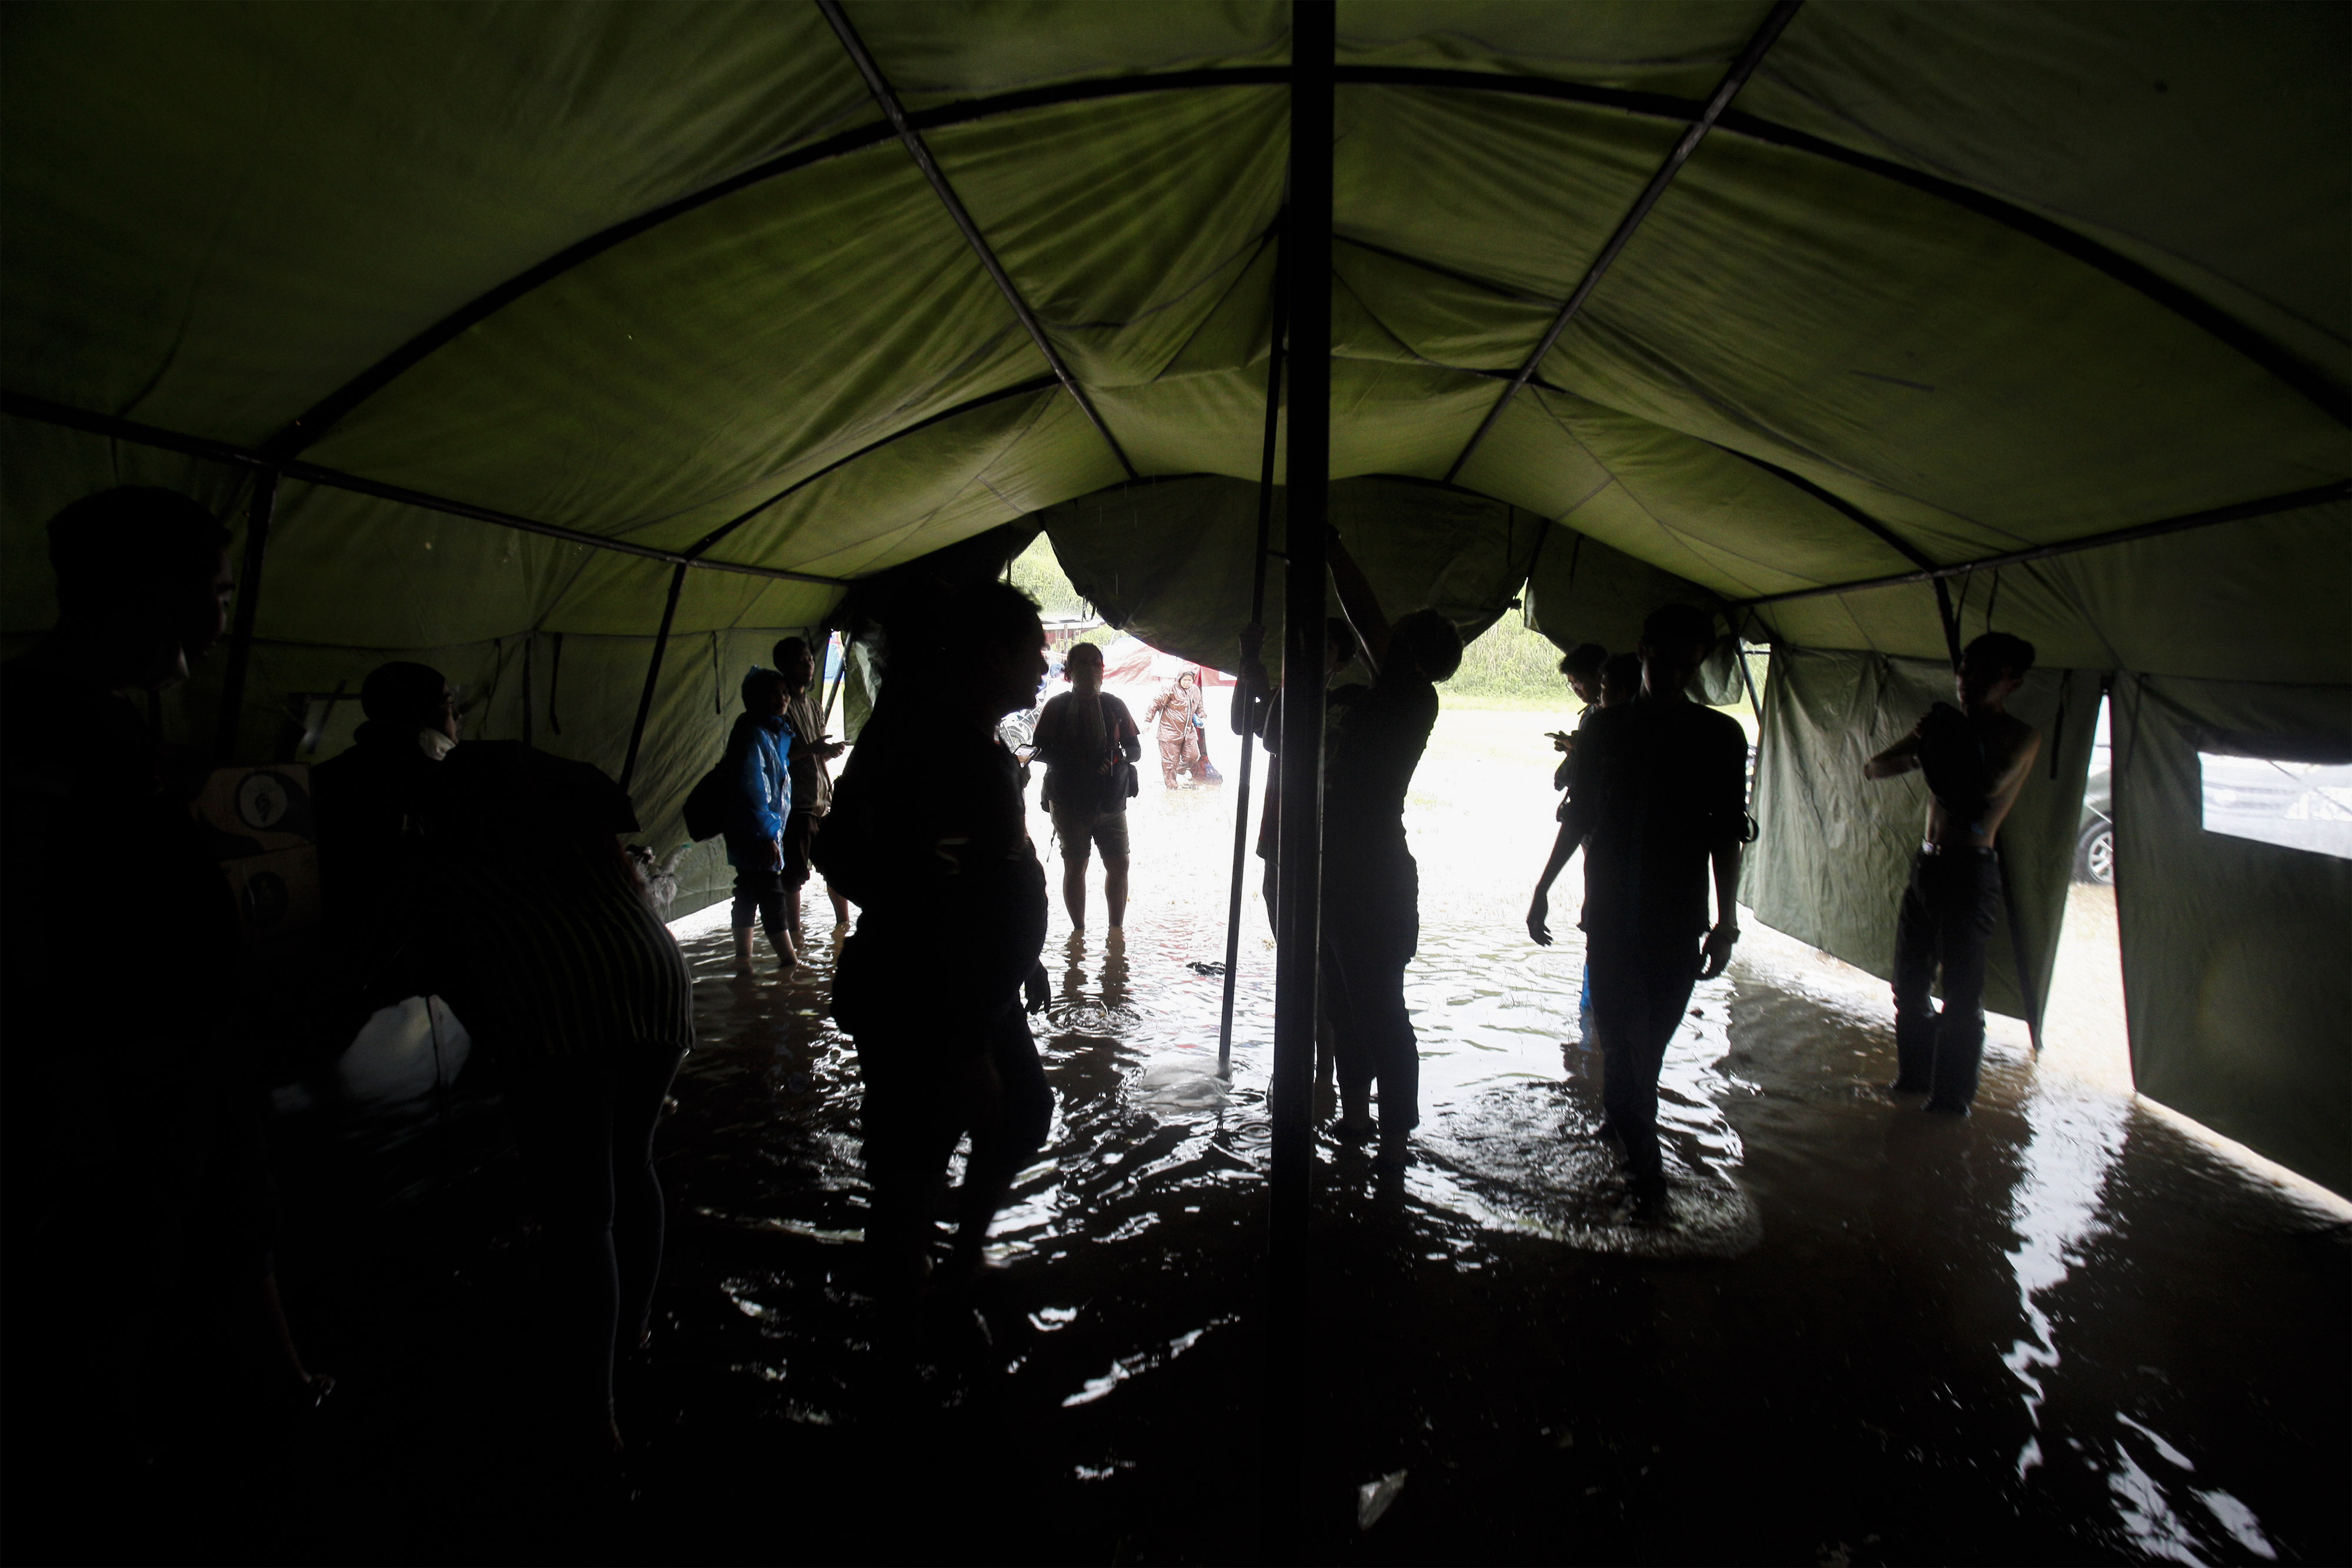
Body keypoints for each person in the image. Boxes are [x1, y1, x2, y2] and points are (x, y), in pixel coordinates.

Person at [0, 487, 327, 1472]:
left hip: (178, 1041)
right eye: (217, 590)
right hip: (118, 1056)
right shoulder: (38, 724)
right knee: (122, 1262)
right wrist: (70, 1080)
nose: (227, 614)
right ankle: (108, 1464)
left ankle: (275, 1399)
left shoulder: (101, 720)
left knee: (228, 1219)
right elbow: (27, 914)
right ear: (153, 596)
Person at [392, 741, 693, 1454]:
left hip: (558, 1001)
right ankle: (636, 1331)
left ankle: (595, 1416)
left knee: (580, 1213)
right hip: (652, 974)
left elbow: (415, 952)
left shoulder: (451, 848)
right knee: (632, 1162)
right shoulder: (581, 837)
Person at [815, 581, 1054, 1296]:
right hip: (932, 997)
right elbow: (922, 895)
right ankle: (907, 1316)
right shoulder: (941, 748)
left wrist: (1024, 952)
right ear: (991, 657)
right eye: (1034, 654)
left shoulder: (958, 739)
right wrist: (967, 1042)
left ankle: (952, 1263)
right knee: (917, 1153)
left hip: (973, 987)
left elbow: (980, 873)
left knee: (1020, 1114)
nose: (1044, 668)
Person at [1527, 603, 1748, 1218]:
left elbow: (1725, 836)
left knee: (1641, 1058)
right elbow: (1580, 815)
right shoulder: (1605, 729)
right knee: (1626, 1052)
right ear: (1644, 649)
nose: (1676, 670)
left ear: (1698, 662)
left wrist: (1726, 923)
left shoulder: (1718, 738)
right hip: (1612, 922)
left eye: (1689, 661)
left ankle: (1627, 1142)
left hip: (1677, 923)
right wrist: (1544, 885)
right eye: (1667, 657)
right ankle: (1650, 1188)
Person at [1319, 533, 1464, 1166]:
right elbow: (1369, 618)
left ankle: (1396, 1133)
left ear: (1408, 651)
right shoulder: (1392, 694)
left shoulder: (1411, 698)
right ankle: (1357, 1122)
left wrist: (1333, 548)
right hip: (1350, 865)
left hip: (1373, 872)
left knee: (1377, 1005)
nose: (1384, 634)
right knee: (1344, 1000)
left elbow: (1363, 613)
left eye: (1397, 632)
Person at [1863, 632, 2042, 1115]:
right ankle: (1914, 1082)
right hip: (1927, 865)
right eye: (1965, 670)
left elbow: (1980, 789)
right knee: (1908, 985)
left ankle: (1952, 1103)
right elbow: (1875, 768)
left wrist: (1939, 742)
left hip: (1970, 870)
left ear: (2014, 683)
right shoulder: (1942, 728)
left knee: (1961, 998)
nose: (1969, 681)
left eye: (1986, 674)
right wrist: (1925, 742)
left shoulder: (2019, 736)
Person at [312, 661, 459, 937]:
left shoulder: (327, 777)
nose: (457, 716)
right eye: (447, 705)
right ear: (418, 710)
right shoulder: (446, 784)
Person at [1030, 641, 1141, 934]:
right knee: (1076, 866)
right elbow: (1037, 751)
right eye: (1082, 663)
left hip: (1111, 801)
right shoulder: (1057, 707)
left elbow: (1135, 750)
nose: (1090, 669)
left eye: (1095, 662)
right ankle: (1078, 932)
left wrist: (1114, 757)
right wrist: (1079, 761)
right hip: (1068, 802)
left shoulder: (1115, 706)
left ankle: (1115, 931)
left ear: (1103, 670)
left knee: (1119, 865)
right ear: (1068, 672)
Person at [770, 636, 850, 945]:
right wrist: (811, 750)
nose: (809, 666)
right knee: (794, 875)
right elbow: (778, 756)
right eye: (801, 661)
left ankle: (842, 925)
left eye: (811, 660)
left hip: (821, 800)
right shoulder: (780, 707)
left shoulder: (814, 706)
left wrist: (826, 752)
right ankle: (796, 937)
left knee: (836, 865)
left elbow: (811, 749)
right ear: (784, 666)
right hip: (796, 804)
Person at [720, 667, 796, 975]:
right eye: (775, 693)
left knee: (749, 888)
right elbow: (755, 788)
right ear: (756, 698)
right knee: (770, 889)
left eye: (785, 693)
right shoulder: (755, 733)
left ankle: (744, 960)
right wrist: (767, 835)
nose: (783, 698)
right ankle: (790, 962)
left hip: (753, 827)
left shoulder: (768, 731)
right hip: (756, 829)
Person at [1548, 642, 1609, 795]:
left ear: (1599, 677)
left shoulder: (1617, 716)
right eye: (1572, 684)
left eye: (1579, 682)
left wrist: (1581, 745)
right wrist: (1571, 749)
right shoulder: (1590, 711)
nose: (1576, 690)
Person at [1144, 669, 1205, 788]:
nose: (1187, 682)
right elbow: (1155, 703)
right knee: (1169, 764)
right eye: (1185, 680)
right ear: (1180, 679)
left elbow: (1199, 706)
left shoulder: (1195, 690)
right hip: (1169, 731)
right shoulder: (1170, 689)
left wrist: (1202, 717)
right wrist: (1148, 721)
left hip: (1188, 731)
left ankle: (1180, 769)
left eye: (1190, 680)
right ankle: (1172, 787)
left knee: (1193, 755)